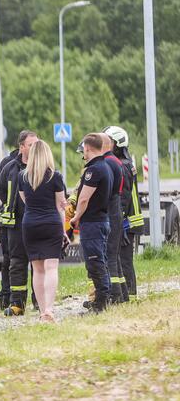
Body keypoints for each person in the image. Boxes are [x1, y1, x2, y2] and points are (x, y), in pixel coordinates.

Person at [18, 141, 67, 322]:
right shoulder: (55, 176)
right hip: (51, 223)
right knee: (51, 267)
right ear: (47, 154)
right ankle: (49, 309)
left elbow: (26, 201)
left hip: (30, 224)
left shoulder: (22, 177)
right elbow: (61, 206)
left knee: (37, 270)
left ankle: (40, 311)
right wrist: (63, 231)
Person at [0, 130, 40, 316]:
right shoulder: (9, 168)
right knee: (16, 263)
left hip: (38, 223)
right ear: (21, 147)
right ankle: (17, 303)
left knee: (39, 263)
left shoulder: (45, 168)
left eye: (37, 144)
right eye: (31, 145)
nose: (35, 148)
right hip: (15, 224)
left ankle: (39, 301)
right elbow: (2, 194)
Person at [70, 133, 113, 312]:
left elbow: (83, 199)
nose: (83, 154)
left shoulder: (93, 170)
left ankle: (100, 304)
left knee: (95, 264)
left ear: (88, 148)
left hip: (93, 223)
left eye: (84, 150)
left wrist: (75, 217)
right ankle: (103, 299)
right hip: (102, 220)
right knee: (100, 261)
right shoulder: (106, 166)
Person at [103, 125, 144, 298]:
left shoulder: (124, 166)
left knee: (125, 259)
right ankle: (124, 293)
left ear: (118, 143)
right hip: (126, 219)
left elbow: (123, 198)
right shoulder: (124, 163)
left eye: (109, 141)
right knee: (120, 258)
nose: (105, 145)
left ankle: (130, 294)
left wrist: (117, 220)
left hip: (128, 221)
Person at [100, 133, 127, 303]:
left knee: (109, 256)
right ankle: (122, 294)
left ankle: (115, 295)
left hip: (110, 211)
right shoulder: (116, 162)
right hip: (115, 211)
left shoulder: (107, 163)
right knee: (114, 256)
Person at [0, 147, 20, 311]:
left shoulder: (39, 162)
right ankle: (5, 297)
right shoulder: (8, 164)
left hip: (30, 220)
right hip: (10, 222)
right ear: (21, 146)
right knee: (9, 261)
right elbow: (2, 193)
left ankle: (36, 299)